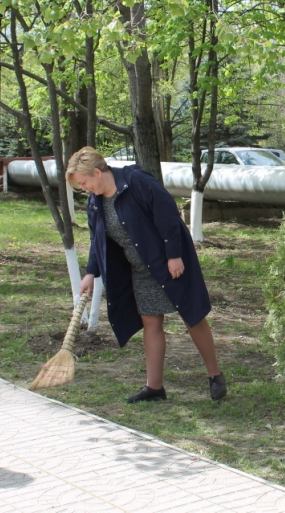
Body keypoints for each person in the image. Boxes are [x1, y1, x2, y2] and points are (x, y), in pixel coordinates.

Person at [67, 147, 226, 403]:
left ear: (97, 172)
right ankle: (154, 388)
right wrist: (90, 273)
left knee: (191, 315)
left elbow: (168, 215)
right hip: (139, 270)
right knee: (151, 323)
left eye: (84, 183)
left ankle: (215, 375)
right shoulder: (95, 202)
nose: (84, 189)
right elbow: (97, 241)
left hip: (169, 263)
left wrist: (174, 255)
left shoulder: (136, 181)